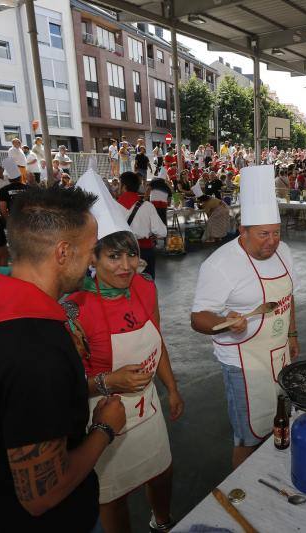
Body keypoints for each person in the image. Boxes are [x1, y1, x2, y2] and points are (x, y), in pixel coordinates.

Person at [0, 186, 126, 532]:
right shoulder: (38, 352)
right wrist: (104, 428)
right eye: (91, 249)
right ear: (63, 252)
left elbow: (7, 402)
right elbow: (42, 494)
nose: (93, 260)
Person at [67, 172, 183, 533]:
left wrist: (172, 387)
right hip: (101, 415)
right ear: (92, 258)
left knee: (161, 471)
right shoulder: (74, 309)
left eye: (131, 254)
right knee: (111, 494)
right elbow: (64, 386)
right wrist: (109, 382)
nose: (126, 265)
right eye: (114, 256)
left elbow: (157, 340)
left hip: (147, 406)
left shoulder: (145, 288)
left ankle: (162, 522)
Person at [191, 165, 299, 469]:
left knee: (279, 420)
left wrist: (292, 335)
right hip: (243, 361)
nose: (272, 241)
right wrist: (224, 323)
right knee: (248, 436)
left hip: (279, 353)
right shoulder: (221, 264)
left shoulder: (285, 252)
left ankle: (273, 474)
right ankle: (240, 494)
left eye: (276, 233)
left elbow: (290, 298)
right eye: (263, 234)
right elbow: (197, 318)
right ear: (243, 231)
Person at [116, 172, 167, 279]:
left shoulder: (113, 207)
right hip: (144, 251)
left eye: (119, 185)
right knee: (146, 284)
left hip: (121, 253)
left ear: (124, 187)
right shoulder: (147, 206)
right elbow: (162, 232)